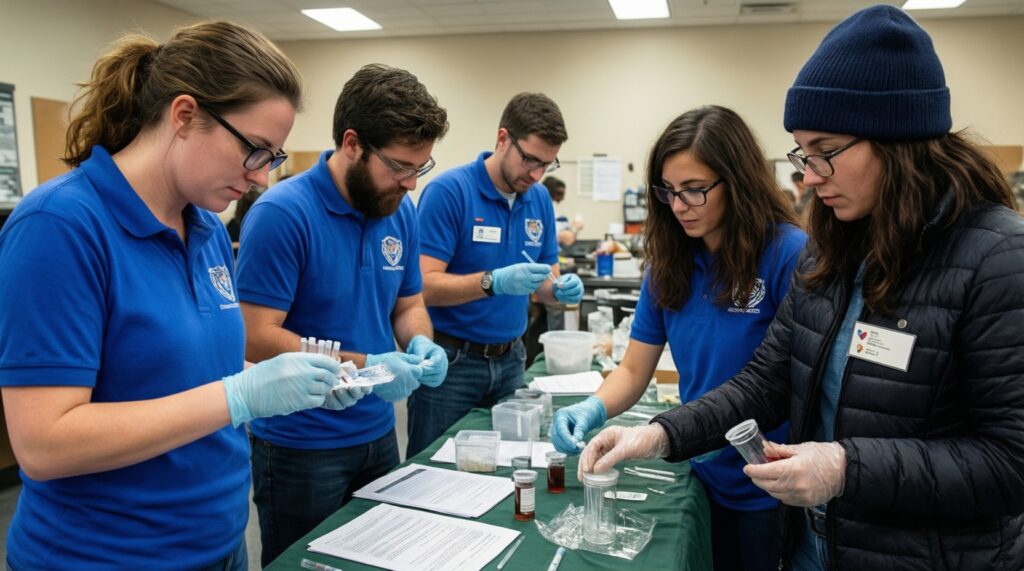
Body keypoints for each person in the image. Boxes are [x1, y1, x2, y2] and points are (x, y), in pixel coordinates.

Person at [579, 6, 1024, 570]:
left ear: (897, 138)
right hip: (817, 547)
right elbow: (764, 383)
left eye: (825, 152)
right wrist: (660, 435)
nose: (809, 175)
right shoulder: (831, 249)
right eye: (803, 154)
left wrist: (843, 467)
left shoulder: (996, 257)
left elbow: (1010, 461)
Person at [0, 22, 348, 569]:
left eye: (272, 159)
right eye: (256, 151)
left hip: (220, 544)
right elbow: (45, 444)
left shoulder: (205, 228)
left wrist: (298, 384)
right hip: (108, 557)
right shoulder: (60, 225)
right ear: (184, 115)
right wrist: (239, 396)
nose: (260, 180)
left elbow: (181, 366)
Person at [554, 105, 806, 571]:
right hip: (698, 470)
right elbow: (633, 369)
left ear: (738, 182)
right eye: (668, 192)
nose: (678, 206)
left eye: (694, 190)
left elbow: (788, 381)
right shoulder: (668, 262)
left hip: (770, 487)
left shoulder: (786, 254)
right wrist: (593, 406)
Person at [235, 63, 450, 566]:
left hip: (377, 434)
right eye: (399, 166)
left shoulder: (399, 210)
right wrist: (365, 365)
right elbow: (253, 336)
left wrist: (421, 341)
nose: (411, 183)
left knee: (380, 557)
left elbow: (409, 303)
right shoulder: (283, 214)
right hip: (299, 446)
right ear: (352, 143)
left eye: (421, 167)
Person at [409, 93, 585, 457]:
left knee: (508, 470)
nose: (536, 175)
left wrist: (562, 289)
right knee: (434, 472)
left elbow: (545, 287)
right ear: (503, 139)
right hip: (452, 363)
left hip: (510, 362)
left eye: (547, 165)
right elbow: (422, 286)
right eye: (530, 160)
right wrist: (493, 282)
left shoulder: (538, 201)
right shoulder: (450, 192)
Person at [542, 175, 580, 247]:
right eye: (560, 193)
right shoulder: (545, 211)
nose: (562, 198)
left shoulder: (551, 210)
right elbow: (567, 239)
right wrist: (574, 228)